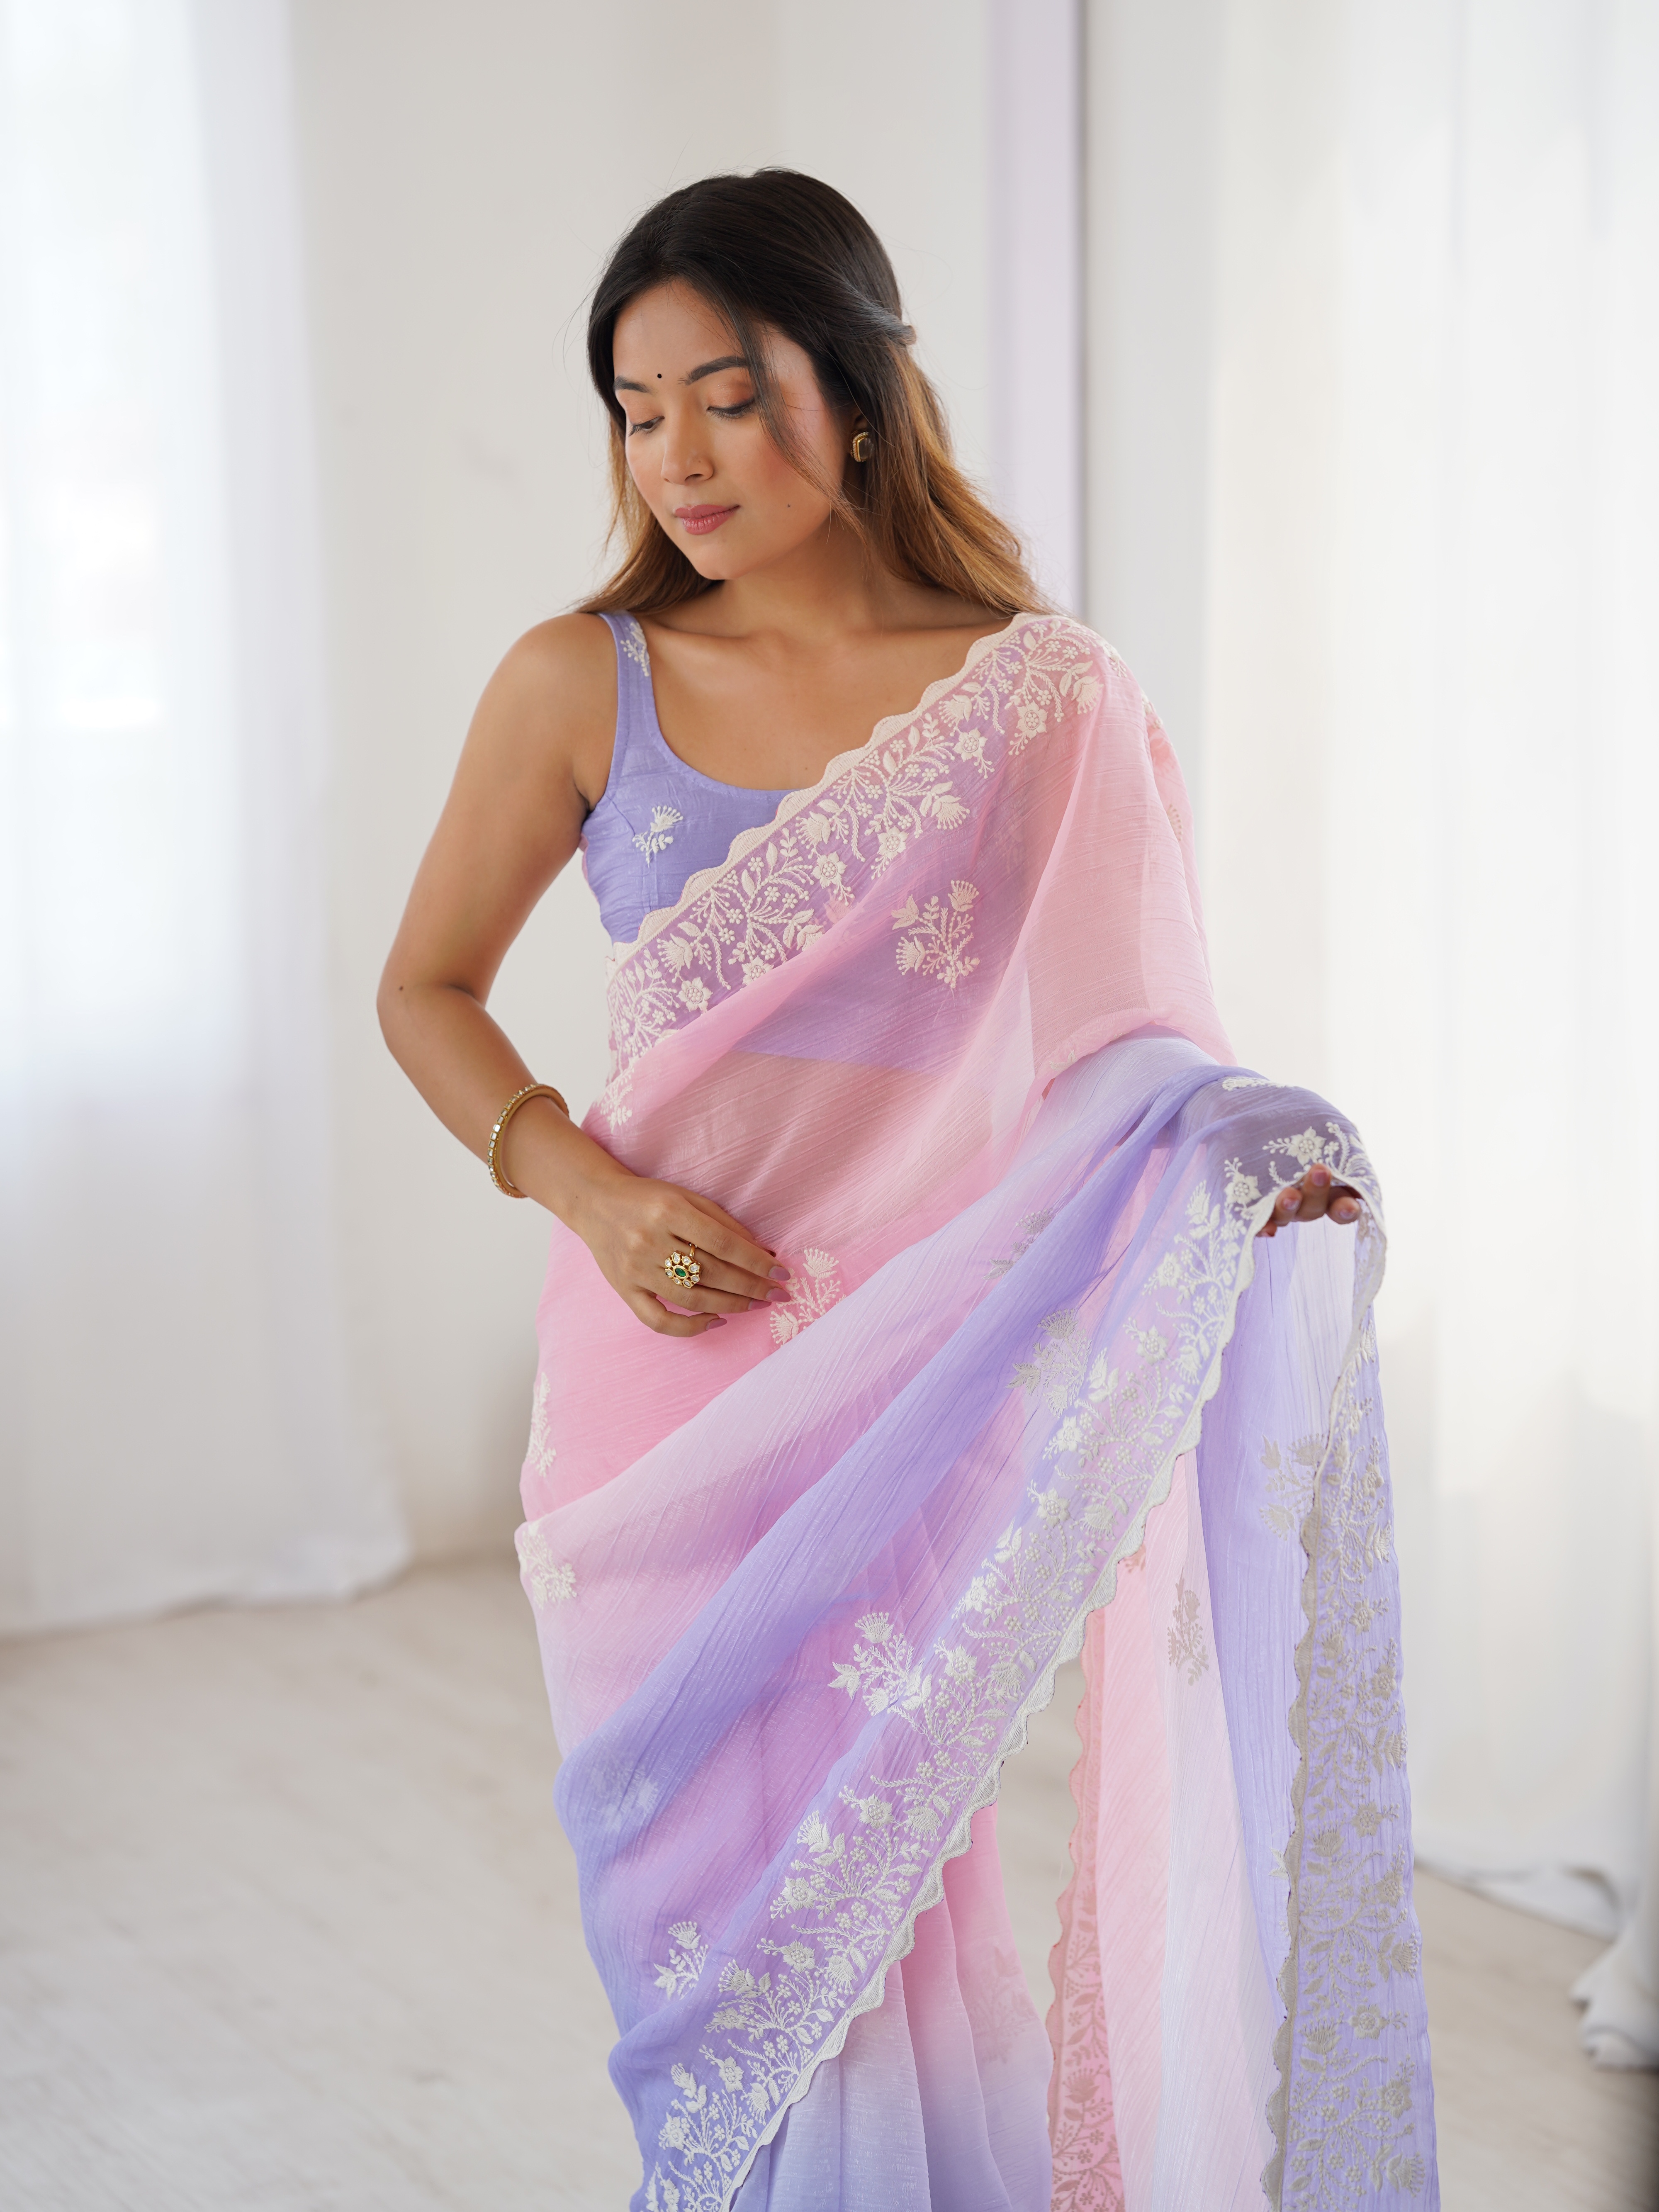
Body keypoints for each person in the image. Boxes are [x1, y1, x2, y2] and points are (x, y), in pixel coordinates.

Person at [380, 170, 1437, 2212]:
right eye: (634, 410)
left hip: (906, 1375)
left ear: (854, 397)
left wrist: (1248, 1172)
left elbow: (1131, 1043)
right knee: (697, 1908)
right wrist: (591, 1198)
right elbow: (424, 989)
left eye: (725, 395)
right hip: (655, 1383)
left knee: (881, 1882)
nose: (675, 457)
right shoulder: (576, 678)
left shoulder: (1039, 696)